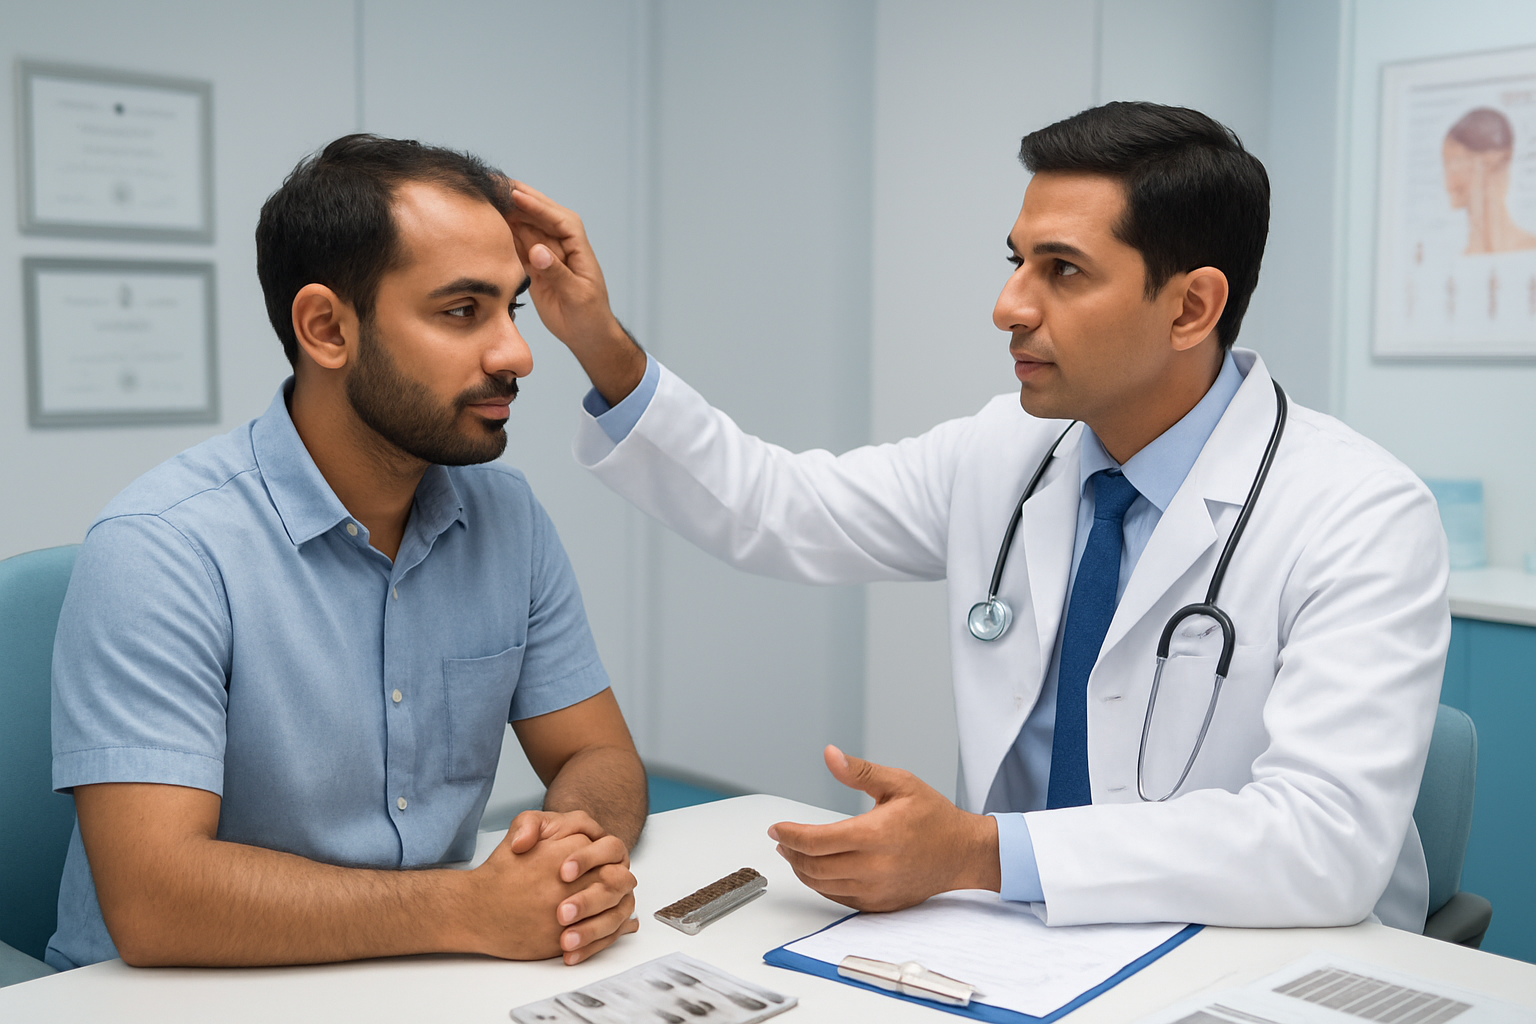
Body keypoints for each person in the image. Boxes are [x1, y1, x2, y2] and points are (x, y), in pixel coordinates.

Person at [504, 102, 1449, 931]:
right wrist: (599, 342)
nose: (1007, 306)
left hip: (1257, 956)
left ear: (1193, 306)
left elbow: (1326, 843)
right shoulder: (1007, 453)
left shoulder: (1357, 512)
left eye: (1063, 271)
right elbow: (778, 507)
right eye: (1016, 261)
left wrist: (978, 854)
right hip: (1018, 945)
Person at [46, 135, 645, 971]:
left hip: (421, 972)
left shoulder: (507, 517)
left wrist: (574, 857)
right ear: (327, 328)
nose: (518, 354)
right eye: (461, 311)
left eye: (509, 308)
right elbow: (155, 899)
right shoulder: (161, 547)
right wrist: (470, 907)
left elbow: (599, 755)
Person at [1442, 106, 1536, 254]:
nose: (1447, 182)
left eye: (1453, 163)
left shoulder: (1529, 248)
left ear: (1489, 162)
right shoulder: (1464, 258)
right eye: (1446, 165)